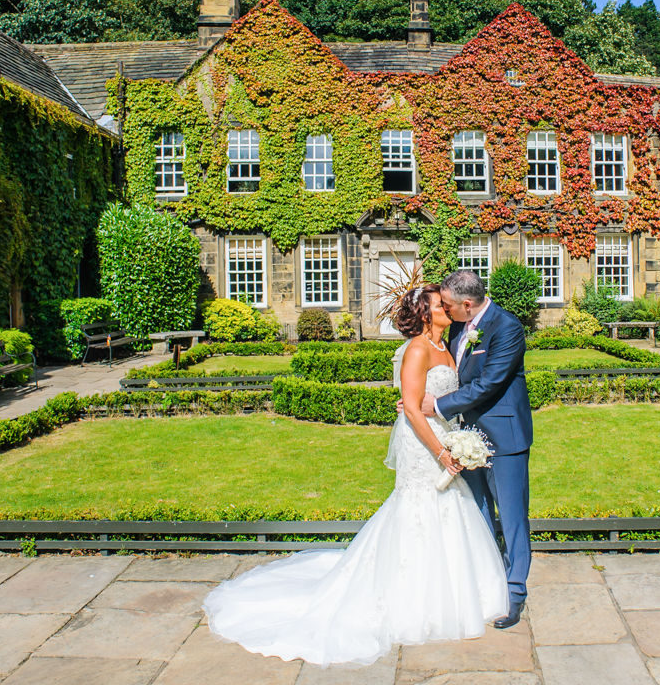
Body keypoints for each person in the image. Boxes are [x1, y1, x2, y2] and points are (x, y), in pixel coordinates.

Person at [201, 284, 508, 667]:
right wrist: (443, 452)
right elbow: (412, 410)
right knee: (417, 508)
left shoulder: (449, 344)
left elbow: (442, 397)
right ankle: (410, 598)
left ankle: (458, 593)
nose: (447, 307)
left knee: (450, 508)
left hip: (444, 434)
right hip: (425, 446)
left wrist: (455, 438)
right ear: (426, 313)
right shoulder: (416, 349)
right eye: (439, 304)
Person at [416, 269, 533, 629]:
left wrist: (437, 406)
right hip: (467, 436)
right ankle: (488, 583)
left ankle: (514, 595)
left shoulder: (507, 327)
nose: (446, 311)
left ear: (468, 304)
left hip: (505, 438)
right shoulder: (457, 325)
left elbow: (489, 382)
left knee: (512, 518)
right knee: (479, 511)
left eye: (450, 306)